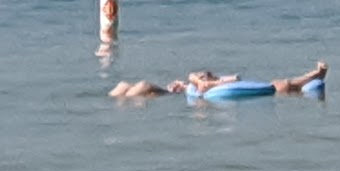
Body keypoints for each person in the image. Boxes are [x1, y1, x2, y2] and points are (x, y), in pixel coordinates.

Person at [110, 61, 328, 98]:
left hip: (170, 94)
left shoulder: (276, 87)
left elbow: (201, 84)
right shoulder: (202, 84)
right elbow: (195, 80)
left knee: (138, 86)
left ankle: (318, 74)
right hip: (174, 93)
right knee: (124, 86)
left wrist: (204, 82)